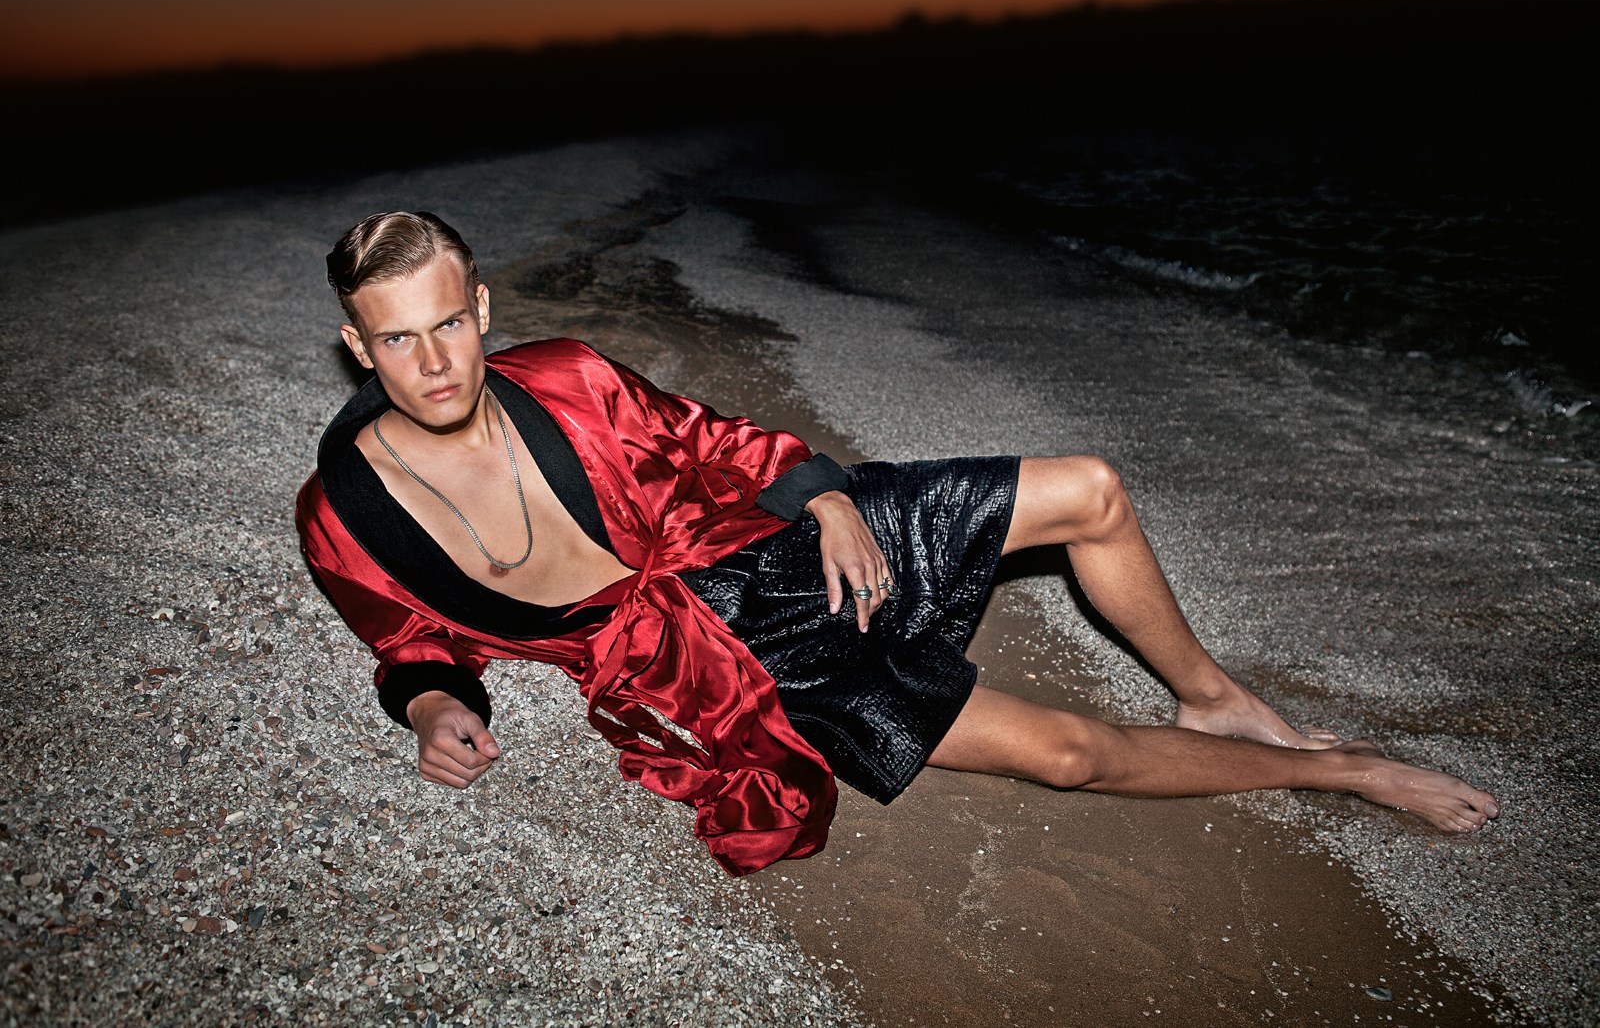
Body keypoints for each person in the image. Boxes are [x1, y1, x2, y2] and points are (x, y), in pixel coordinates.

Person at [295, 210, 1499, 876]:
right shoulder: (344, 509)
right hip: (733, 665)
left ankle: (1213, 697)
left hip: (766, 542)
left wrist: (823, 497)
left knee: (1090, 487)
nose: (435, 363)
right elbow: (407, 641)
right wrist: (434, 710)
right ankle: (1343, 769)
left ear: (481, 310)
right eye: (398, 340)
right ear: (359, 345)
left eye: (449, 324)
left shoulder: (563, 374)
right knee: (1067, 754)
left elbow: (713, 440)